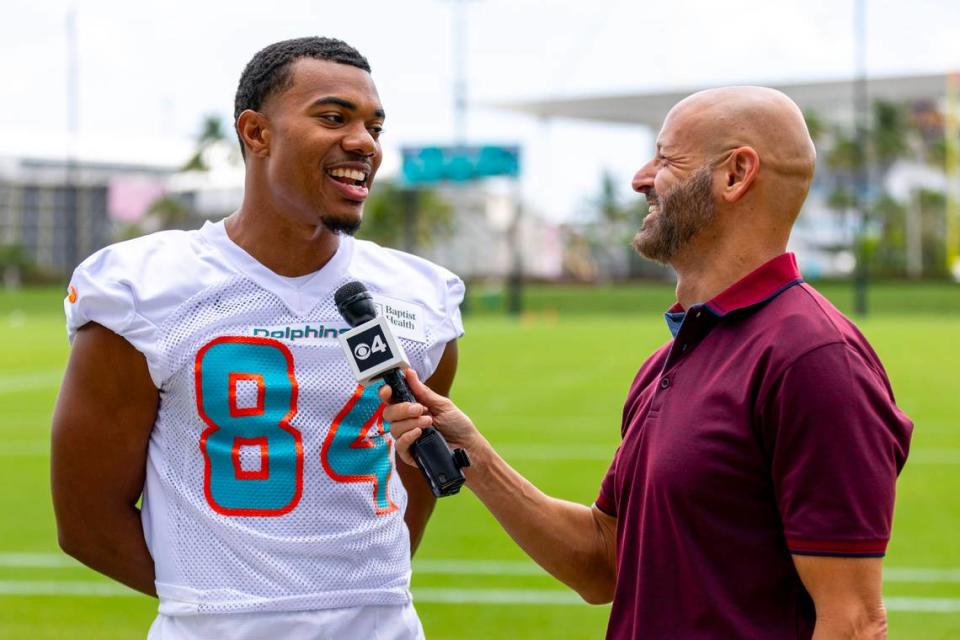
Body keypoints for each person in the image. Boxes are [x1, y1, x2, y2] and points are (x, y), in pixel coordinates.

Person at [381, 86, 912, 639]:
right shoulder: (671, 358)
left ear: (736, 174)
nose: (640, 177)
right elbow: (602, 563)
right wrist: (476, 457)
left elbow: (853, 622)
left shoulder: (814, 359)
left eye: (665, 158)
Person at [51, 37, 464, 640]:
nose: (364, 142)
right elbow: (87, 522)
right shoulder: (145, 290)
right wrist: (222, 594)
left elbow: (414, 485)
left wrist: (352, 589)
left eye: (374, 126)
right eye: (333, 117)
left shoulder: (418, 297)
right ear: (256, 133)